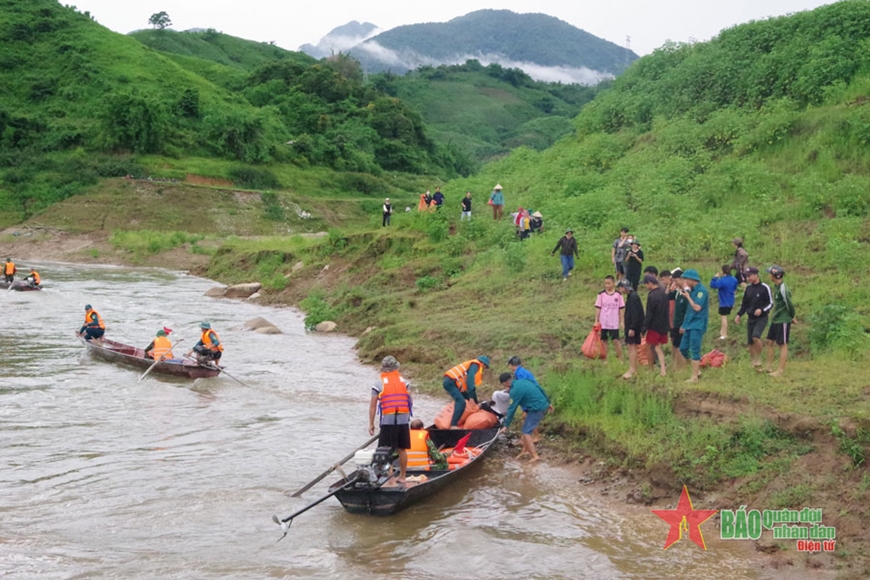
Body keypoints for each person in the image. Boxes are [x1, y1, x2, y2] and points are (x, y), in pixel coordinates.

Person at [369, 356, 412, 483]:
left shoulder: (378, 384)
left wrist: (371, 424)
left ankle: (390, 478)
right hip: (403, 420)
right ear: (396, 367)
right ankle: (403, 476)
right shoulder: (404, 382)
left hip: (387, 421)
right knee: (402, 449)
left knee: (386, 450)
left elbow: (372, 406)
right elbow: (410, 401)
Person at [498, 372, 551, 462]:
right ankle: (525, 450)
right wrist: (548, 402)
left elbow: (512, 408)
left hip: (536, 409)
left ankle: (534, 456)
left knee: (526, 431)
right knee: (525, 422)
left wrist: (506, 425)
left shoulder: (514, 391)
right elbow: (540, 388)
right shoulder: (524, 380)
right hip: (542, 405)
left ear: (505, 383)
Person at [734, 267, 773, 370]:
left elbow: (770, 303)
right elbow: (744, 304)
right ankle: (754, 362)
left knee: (756, 336)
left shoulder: (765, 287)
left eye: (750, 276)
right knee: (750, 341)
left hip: (761, 317)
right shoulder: (748, 288)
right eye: (747, 276)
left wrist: (762, 310)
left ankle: (759, 357)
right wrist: (739, 315)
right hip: (750, 317)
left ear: (756, 275)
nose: (748, 278)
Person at [764, 265, 796, 377]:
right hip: (776, 318)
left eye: (770, 273)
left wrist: (792, 316)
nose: (769, 275)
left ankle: (780, 370)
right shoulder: (776, 287)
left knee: (782, 344)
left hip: (783, 319)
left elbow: (789, 304)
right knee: (769, 341)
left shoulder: (783, 289)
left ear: (775, 275)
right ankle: (768, 366)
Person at [678, 269, 709, 383]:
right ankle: (696, 370)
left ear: (692, 279)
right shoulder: (692, 291)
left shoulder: (702, 291)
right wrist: (684, 324)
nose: (685, 281)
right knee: (683, 348)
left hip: (698, 323)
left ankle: (694, 377)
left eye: (686, 279)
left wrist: (688, 298)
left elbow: (697, 307)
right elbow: (689, 311)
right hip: (689, 324)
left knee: (695, 349)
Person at [442, 356, 490, 428]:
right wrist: (471, 398)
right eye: (485, 367)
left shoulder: (473, 365)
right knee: (461, 402)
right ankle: (453, 425)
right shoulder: (475, 365)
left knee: (466, 399)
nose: (483, 369)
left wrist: (475, 402)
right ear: (483, 364)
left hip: (453, 383)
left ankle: (459, 421)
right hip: (450, 382)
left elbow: (471, 388)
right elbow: (470, 383)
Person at [642, 274, 669, 376]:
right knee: (658, 347)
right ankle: (663, 369)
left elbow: (649, 314)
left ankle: (651, 368)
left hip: (654, 326)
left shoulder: (652, 295)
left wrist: (644, 329)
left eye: (645, 284)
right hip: (663, 325)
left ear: (649, 283)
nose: (645, 287)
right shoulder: (664, 294)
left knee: (649, 346)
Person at [617, 279, 644, 379]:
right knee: (631, 346)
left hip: (633, 327)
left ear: (624, 287)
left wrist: (632, 327)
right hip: (633, 326)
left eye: (620, 287)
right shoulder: (632, 296)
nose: (619, 289)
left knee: (631, 346)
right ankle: (633, 368)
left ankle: (632, 369)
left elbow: (635, 314)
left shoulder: (633, 298)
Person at [594, 275, 625, 361]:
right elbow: (598, 307)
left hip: (614, 322)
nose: (607, 285)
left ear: (614, 283)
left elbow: (621, 309)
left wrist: (622, 321)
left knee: (615, 340)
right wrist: (596, 320)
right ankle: (605, 359)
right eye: (606, 283)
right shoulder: (601, 294)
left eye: (609, 283)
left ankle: (621, 358)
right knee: (604, 341)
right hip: (604, 322)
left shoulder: (618, 295)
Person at [710, 264, 739, 340]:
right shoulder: (734, 279)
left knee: (723, 317)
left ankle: (724, 334)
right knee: (724, 316)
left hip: (724, 302)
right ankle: (721, 331)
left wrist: (715, 277)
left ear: (723, 271)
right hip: (731, 301)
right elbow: (735, 289)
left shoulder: (722, 281)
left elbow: (713, 285)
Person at [667, 268, 688, 370]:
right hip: (676, 322)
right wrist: (669, 284)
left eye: (676, 281)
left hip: (682, 323)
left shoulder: (686, 293)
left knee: (680, 346)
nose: (674, 283)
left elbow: (687, 311)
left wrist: (684, 324)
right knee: (675, 345)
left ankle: (682, 367)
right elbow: (666, 296)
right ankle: (676, 365)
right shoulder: (677, 292)